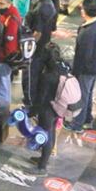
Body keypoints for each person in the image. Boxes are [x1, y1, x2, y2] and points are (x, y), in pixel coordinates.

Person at [68, 0, 96, 133]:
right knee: (88, 92)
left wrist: (74, 73)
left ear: (85, 12)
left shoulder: (88, 32)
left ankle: (77, 124)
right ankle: (87, 118)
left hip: (87, 68)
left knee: (82, 95)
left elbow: (83, 56)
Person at [22, 0, 56, 111]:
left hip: (37, 49)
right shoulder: (49, 4)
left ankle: (29, 104)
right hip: (44, 47)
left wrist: (28, 49)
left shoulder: (40, 9)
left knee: (30, 77)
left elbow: (37, 33)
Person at [30, 44, 63, 177]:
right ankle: (45, 159)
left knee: (46, 135)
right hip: (59, 107)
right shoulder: (63, 68)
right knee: (52, 132)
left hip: (47, 109)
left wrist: (32, 112)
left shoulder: (47, 76)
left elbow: (41, 97)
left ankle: (42, 167)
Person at [0, 0, 21, 139]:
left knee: (2, 91)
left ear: (9, 3)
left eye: (1, 3)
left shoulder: (12, 19)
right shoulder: (6, 14)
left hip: (4, 61)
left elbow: (9, 47)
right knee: (2, 88)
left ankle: (1, 121)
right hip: (0, 59)